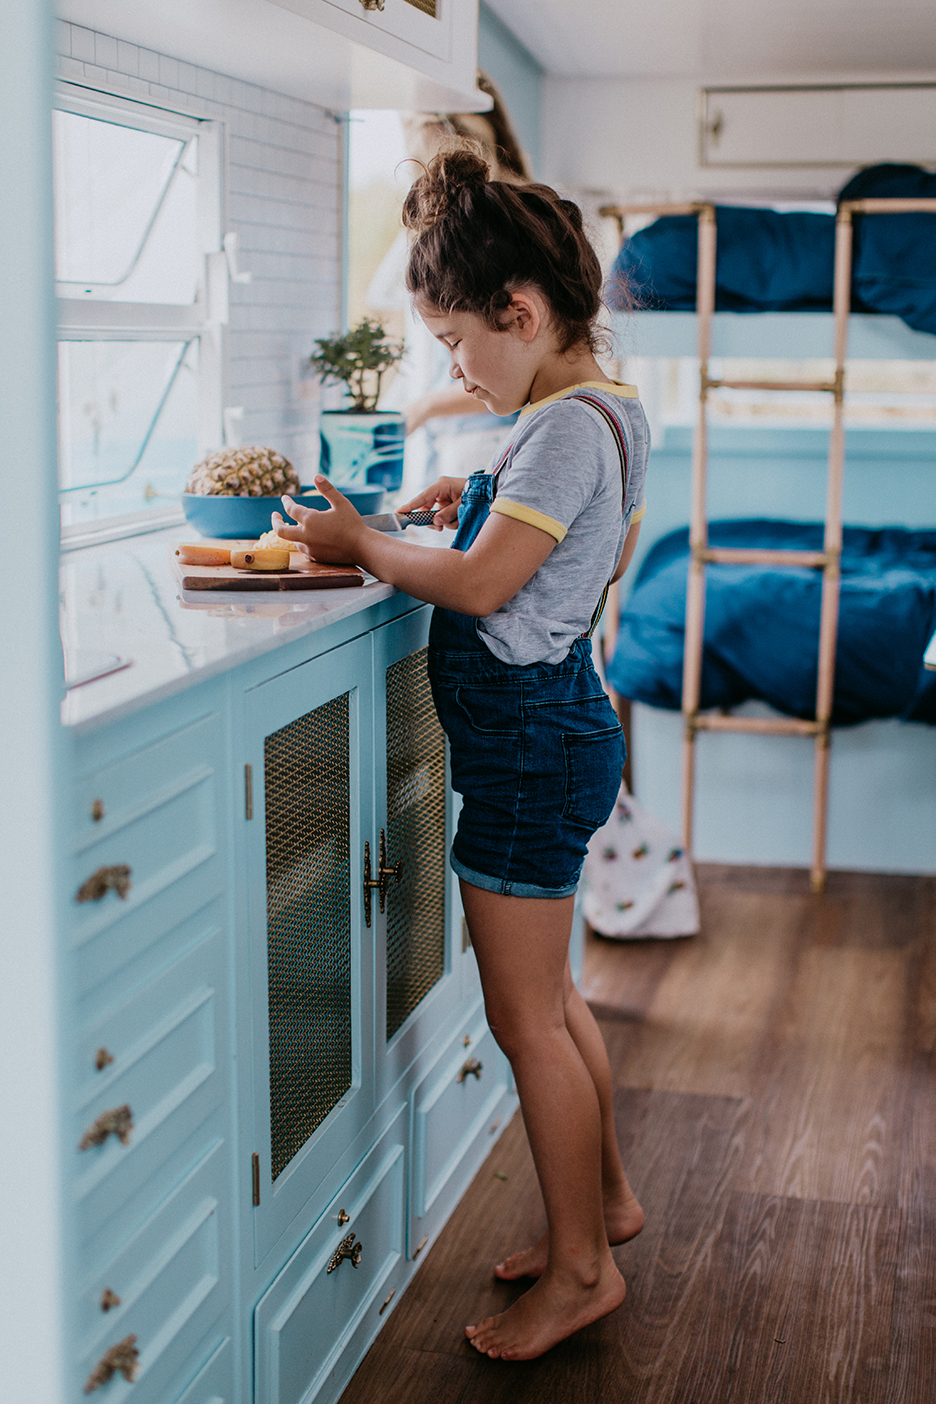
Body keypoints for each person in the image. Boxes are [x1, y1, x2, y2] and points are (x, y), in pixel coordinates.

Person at [273, 145, 650, 1362]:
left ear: (521, 314)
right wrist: (463, 497)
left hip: (531, 749)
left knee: (522, 1018)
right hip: (559, 735)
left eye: (454, 341)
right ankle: (605, 1206)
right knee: (555, 1002)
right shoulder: (599, 408)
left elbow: (492, 585)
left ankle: (584, 1272)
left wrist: (363, 540)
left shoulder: (557, 431)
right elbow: (556, 540)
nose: (450, 364)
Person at [368, 73, 532, 489]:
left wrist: (422, 408)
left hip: (486, 439)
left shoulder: (499, 237)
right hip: (459, 441)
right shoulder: (464, 233)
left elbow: (509, 369)